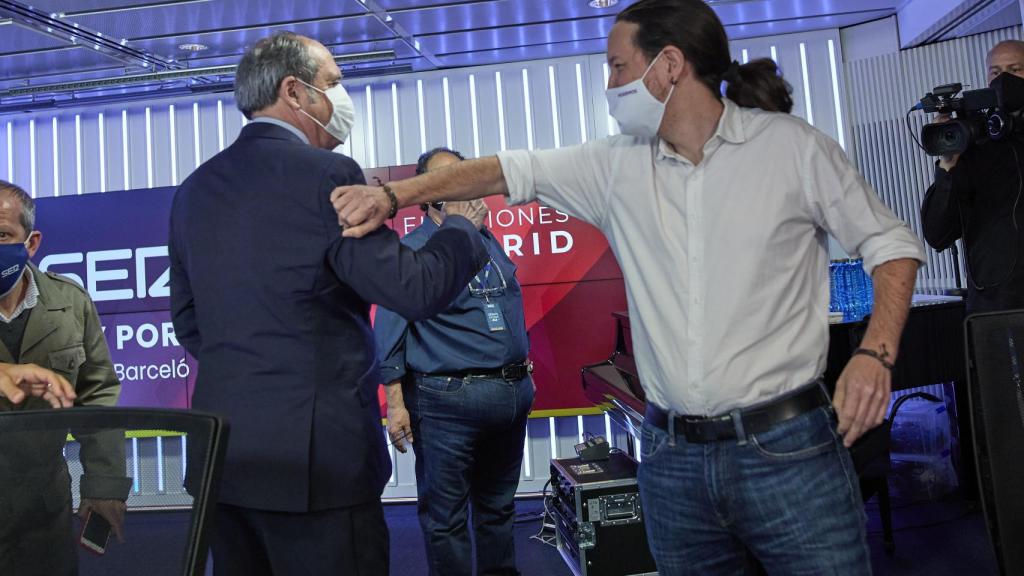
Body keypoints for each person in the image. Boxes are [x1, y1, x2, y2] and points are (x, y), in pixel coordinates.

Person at [330, 0, 927, 573]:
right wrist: (392, 195)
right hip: (671, 460)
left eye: (617, 66)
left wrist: (875, 354)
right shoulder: (614, 165)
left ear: (669, 66)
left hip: (787, 449)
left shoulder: (792, 149)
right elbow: (501, 168)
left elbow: (893, 246)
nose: (609, 84)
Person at [168, 32, 489, 576]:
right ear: (295, 92)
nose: (341, 98)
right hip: (316, 464)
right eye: (334, 84)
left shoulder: (195, 189)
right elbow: (414, 290)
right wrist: (460, 225)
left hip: (223, 455)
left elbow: (189, 322)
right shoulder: (329, 176)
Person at [375, 147, 533, 576]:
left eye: (463, 177)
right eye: (447, 182)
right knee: (446, 519)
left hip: (510, 397)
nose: (462, 189)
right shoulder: (413, 250)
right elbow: (389, 331)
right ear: (427, 197)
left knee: (498, 509)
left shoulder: (485, 238)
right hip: (446, 404)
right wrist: (396, 402)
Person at [0, 180, 131, 576]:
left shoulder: (69, 301)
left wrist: (104, 485)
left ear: (31, 242)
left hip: (42, 509)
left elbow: (97, 395)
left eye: (2, 234)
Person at [921, 39, 1024, 313]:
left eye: (1015, 70)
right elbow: (937, 234)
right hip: (995, 309)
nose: (1003, 79)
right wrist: (947, 165)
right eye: (995, 72)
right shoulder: (975, 146)